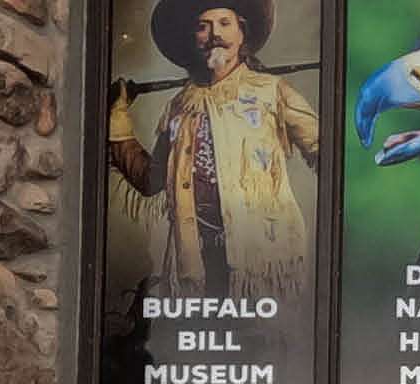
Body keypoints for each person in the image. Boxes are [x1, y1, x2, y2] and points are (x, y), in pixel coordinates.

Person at [109, 0, 320, 305]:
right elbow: (151, 179)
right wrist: (118, 120)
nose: (214, 34)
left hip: (261, 254)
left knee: (261, 344)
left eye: (224, 23)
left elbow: (323, 150)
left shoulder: (272, 91)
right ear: (193, 38)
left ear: (242, 33)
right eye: (202, 26)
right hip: (195, 256)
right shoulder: (179, 106)